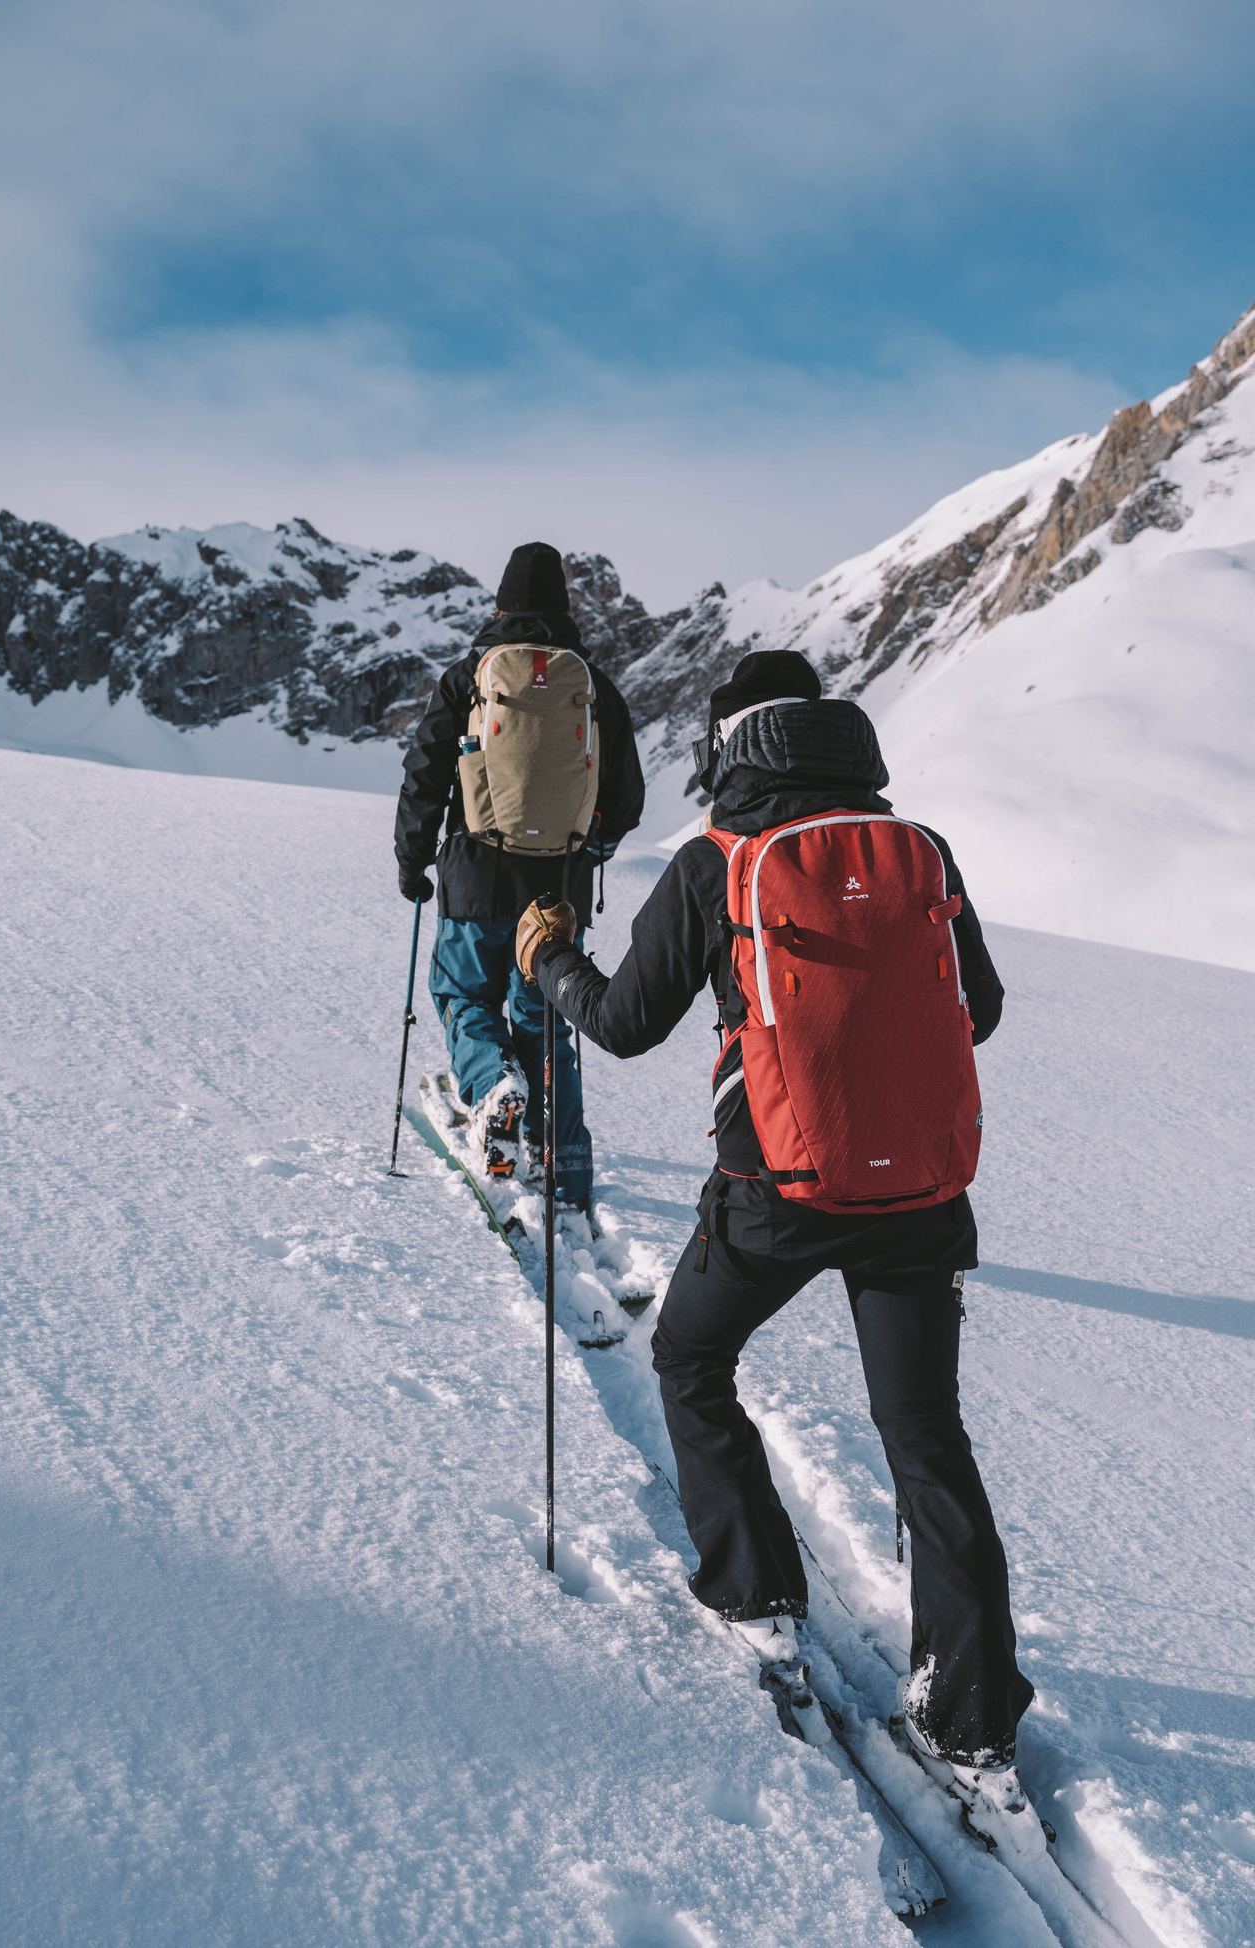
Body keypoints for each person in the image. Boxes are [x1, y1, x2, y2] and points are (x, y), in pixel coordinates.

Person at [516, 648, 1041, 1845]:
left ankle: (756, 1593)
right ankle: (973, 1721)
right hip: (919, 1195)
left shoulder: (717, 862)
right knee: (925, 1435)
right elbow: (985, 1008)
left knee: (693, 1362)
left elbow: (622, 1022)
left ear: (731, 743)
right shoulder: (921, 851)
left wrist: (545, 955)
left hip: (776, 1193)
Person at [394, 541, 644, 1211]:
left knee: (465, 997)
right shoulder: (593, 687)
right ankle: (566, 1172)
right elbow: (626, 800)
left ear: (500, 604)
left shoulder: (471, 675)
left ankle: (493, 1085)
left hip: (475, 874)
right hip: (559, 887)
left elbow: (424, 773)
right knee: (546, 1019)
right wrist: (590, 854)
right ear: (564, 607)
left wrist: (411, 859)